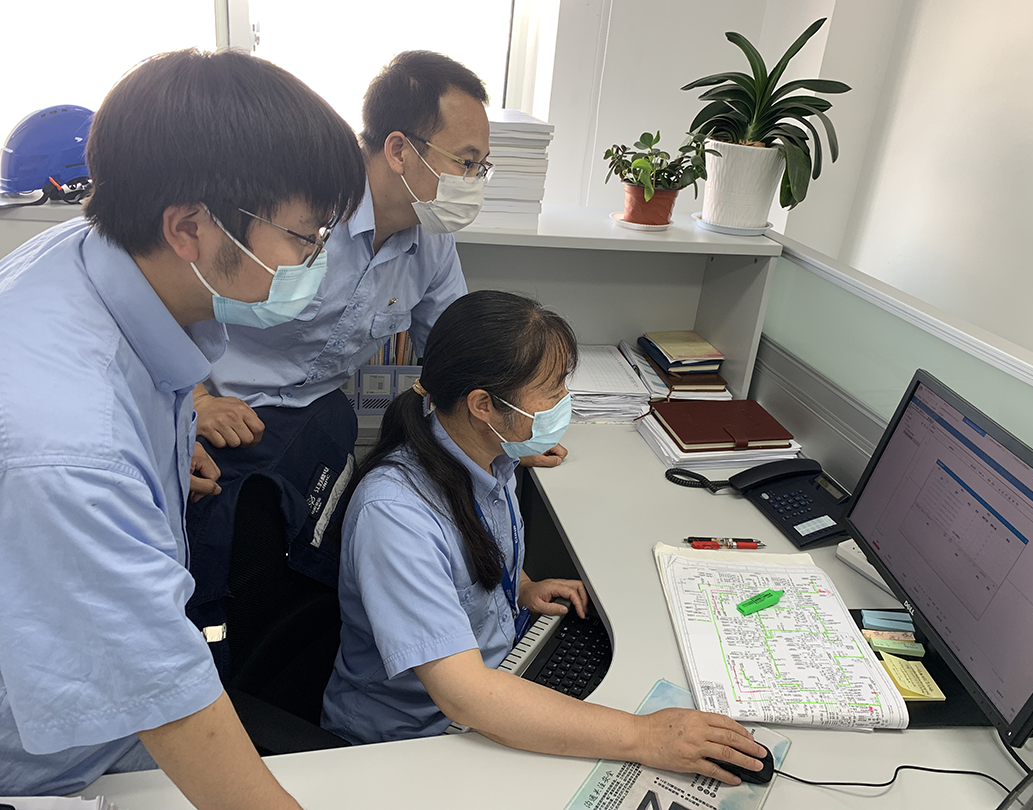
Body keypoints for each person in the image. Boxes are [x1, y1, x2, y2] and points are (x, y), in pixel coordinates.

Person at [0, 48, 366, 803]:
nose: (318, 259)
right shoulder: (74, 448)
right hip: (57, 769)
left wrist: (159, 461)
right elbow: (163, 697)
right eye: (305, 236)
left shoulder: (91, 251)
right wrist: (116, 480)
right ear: (189, 228)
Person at [184, 51, 564, 656]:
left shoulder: (429, 240)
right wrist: (196, 401)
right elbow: (184, 296)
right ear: (399, 150)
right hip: (227, 414)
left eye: (482, 167)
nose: (473, 182)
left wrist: (513, 418)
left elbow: (457, 350)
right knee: (221, 588)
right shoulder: (302, 210)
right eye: (466, 163)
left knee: (304, 596)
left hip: (316, 417)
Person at [321, 291, 767, 785]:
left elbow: (469, 552)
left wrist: (520, 587)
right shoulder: (396, 516)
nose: (564, 403)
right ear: (483, 405)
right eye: (552, 392)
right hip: (418, 738)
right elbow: (464, 694)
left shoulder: (489, 454)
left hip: (494, 683)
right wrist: (643, 736)